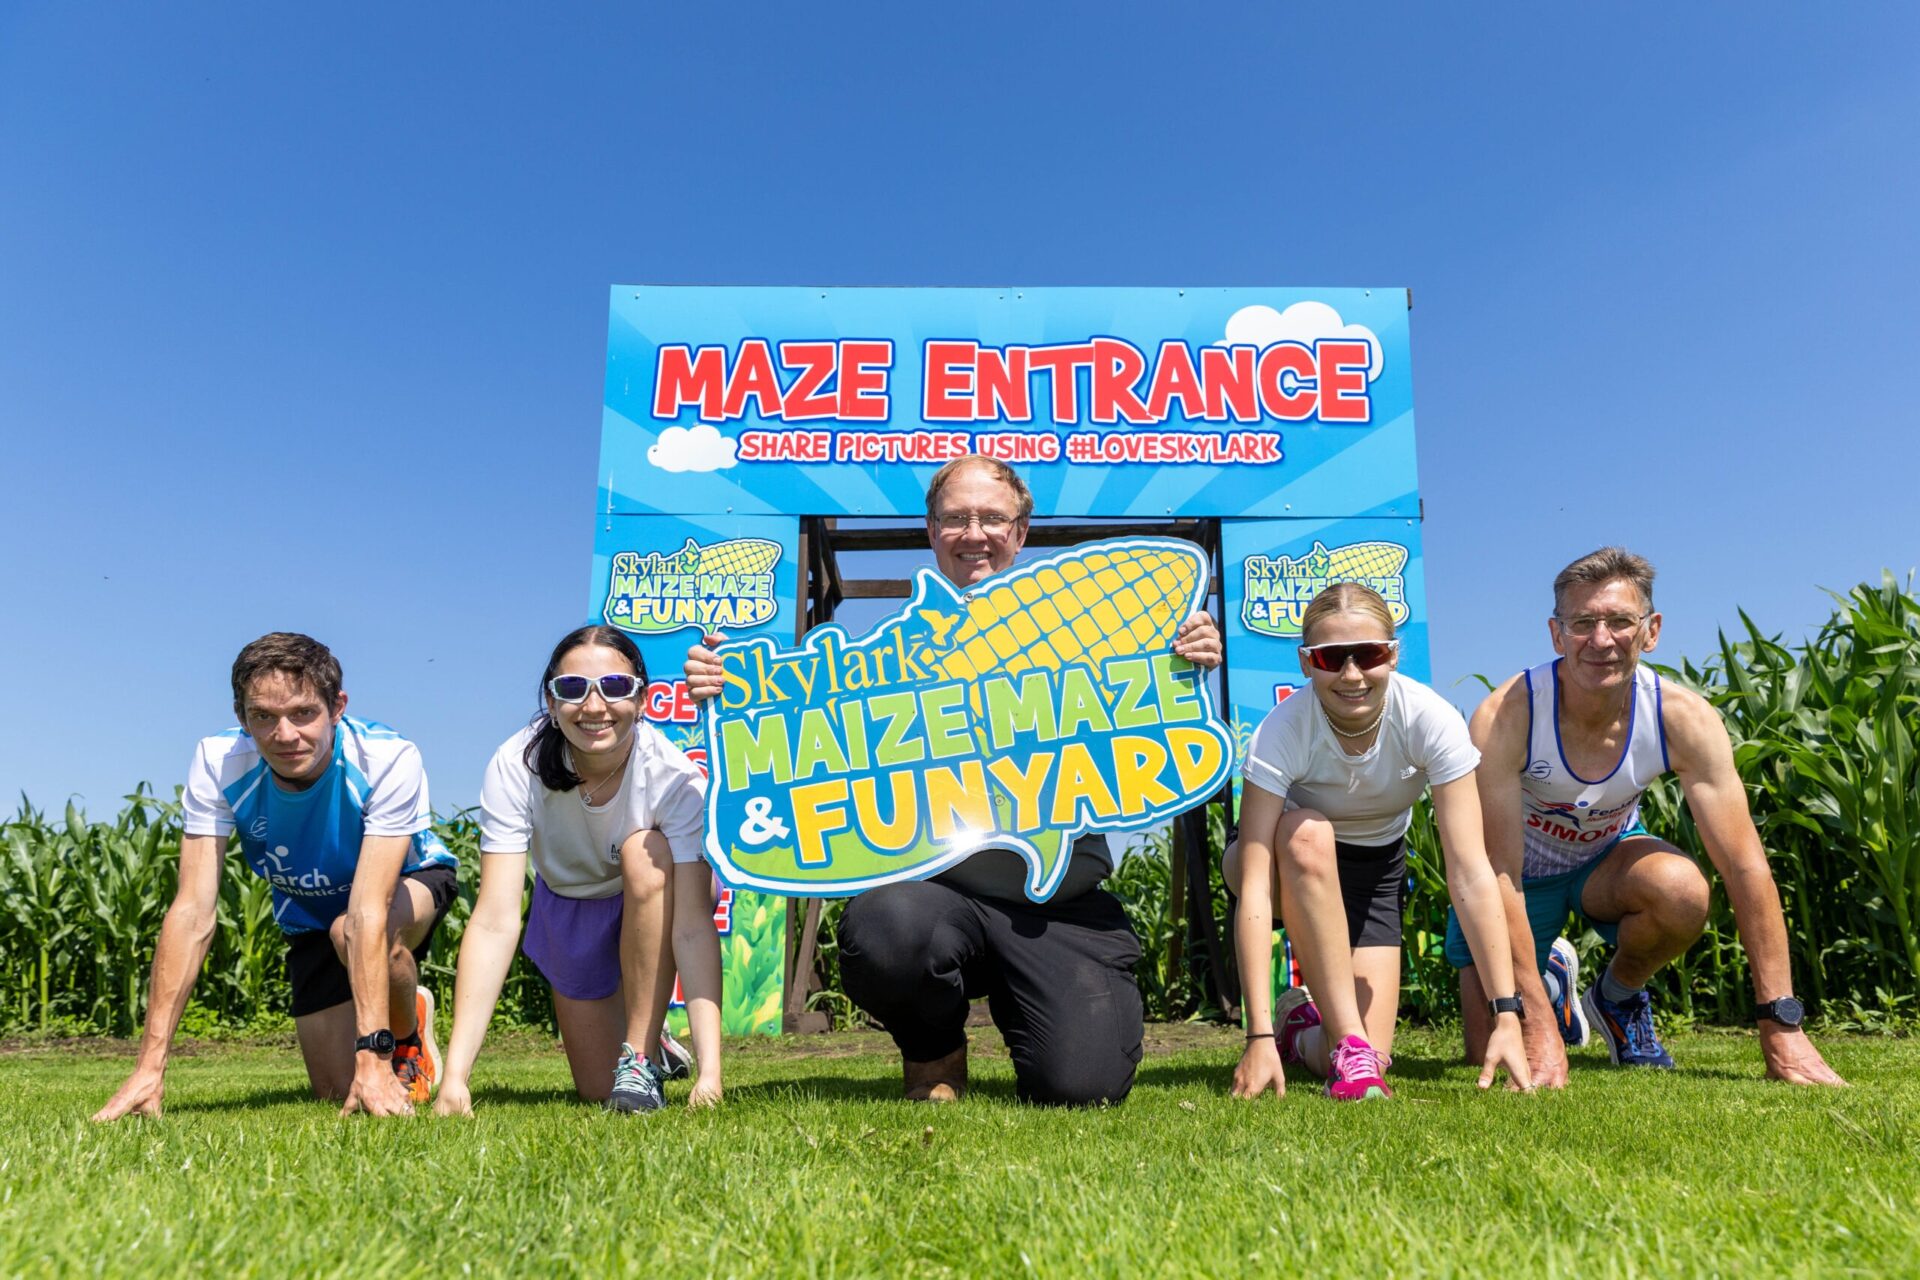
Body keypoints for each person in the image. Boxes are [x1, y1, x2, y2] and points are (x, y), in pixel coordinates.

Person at [684, 454, 1222, 1106]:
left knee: (1082, 1089)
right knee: (887, 930)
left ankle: (1047, 1012)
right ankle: (934, 1053)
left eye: (993, 518)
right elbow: (795, 707)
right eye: (956, 518)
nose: (975, 533)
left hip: (1061, 905)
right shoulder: (891, 653)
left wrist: (1189, 651)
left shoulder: (1105, 639)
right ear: (932, 531)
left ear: (1020, 533)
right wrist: (729, 687)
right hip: (937, 896)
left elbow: (1159, 719)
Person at [1455, 547, 1846, 1086]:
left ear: (1651, 630)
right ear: (1556, 634)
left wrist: (1781, 1022)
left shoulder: (1681, 717)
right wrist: (1539, 1026)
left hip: (1605, 866)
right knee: (1487, 1054)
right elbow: (1497, 871)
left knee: (1683, 891)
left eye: (1619, 621)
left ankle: (1613, 997)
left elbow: (1745, 866)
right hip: (1518, 879)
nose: (1601, 640)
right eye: (1583, 623)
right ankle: (1550, 991)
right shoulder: (1507, 714)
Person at [94, 633, 458, 1121]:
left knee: (351, 933)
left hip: (407, 883)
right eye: (264, 717)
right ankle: (402, 1010)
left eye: (303, 713)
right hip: (308, 909)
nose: (285, 735)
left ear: (337, 707)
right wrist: (148, 1067)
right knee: (332, 1090)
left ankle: (404, 1034)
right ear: (242, 717)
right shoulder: (218, 762)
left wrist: (373, 1057)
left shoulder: (388, 757)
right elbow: (191, 911)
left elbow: (367, 910)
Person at [1226, 584, 1531, 1101]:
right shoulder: (1281, 732)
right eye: (1330, 658)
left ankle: (1299, 1030)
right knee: (1307, 835)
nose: (1350, 674)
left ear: (1391, 654)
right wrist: (1253, 1036)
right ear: (1306, 663)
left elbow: (1470, 871)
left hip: (1374, 871)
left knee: (1367, 1058)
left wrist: (1507, 1013)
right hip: (1282, 864)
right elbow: (1253, 886)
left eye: (1368, 654)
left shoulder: (1430, 720)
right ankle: (1293, 1030)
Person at [434, 625, 721, 1116]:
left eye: (614, 687)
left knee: (644, 851)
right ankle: (659, 1044)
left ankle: (641, 1054)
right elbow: (494, 919)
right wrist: (456, 1079)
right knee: (593, 1090)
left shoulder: (674, 778)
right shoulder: (515, 763)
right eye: (573, 688)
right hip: (570, 905)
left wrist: (712, 1075)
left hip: (653, 891)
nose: (593, 706)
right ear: (550, 701)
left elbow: (693, 927)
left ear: (643, 698)